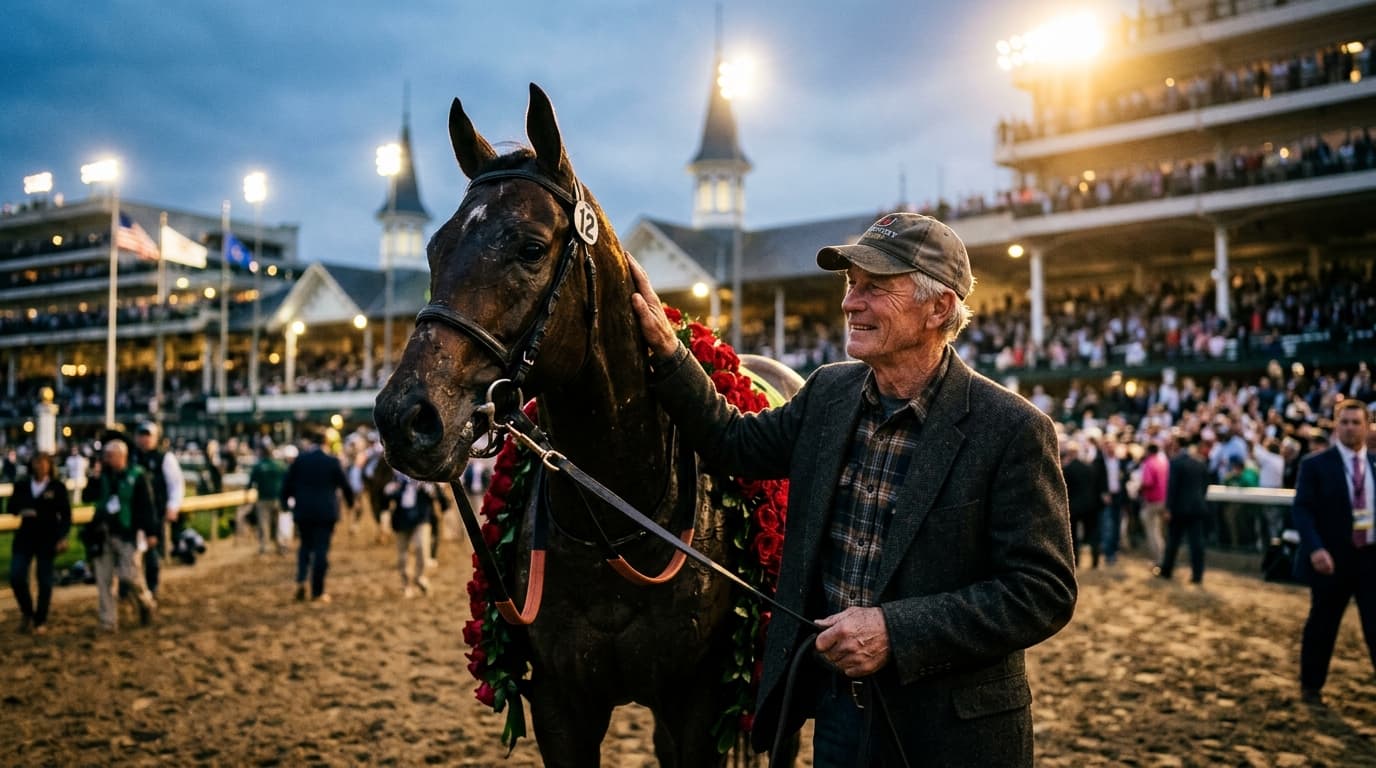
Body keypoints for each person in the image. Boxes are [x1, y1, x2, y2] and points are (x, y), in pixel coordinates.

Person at [628, 212, 1077, 766]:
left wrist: (896, 630)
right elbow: (733, 444)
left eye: (875, 287)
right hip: (841, 718)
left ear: (939, 308)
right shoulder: (829, 392)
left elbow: (1043, 591)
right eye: (850, 284)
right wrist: (671, 353)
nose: (850, 302)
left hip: (954, 734)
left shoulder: (1012, 428)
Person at [1292, 398, 1376, 705]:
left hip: (1370, 558)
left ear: (1367, 427)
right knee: (1323, 624)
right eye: (1344, 422)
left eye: (1356, 422)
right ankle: (1311, 685)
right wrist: (1315, 548)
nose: (1350, 428)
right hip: (1331, 558)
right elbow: (1302, 510)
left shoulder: (1374, 464)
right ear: (1335, 426)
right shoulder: (1315, 465)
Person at [87, 438, 158, 631]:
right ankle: (108, 622)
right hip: (104, 534)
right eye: (105, 456)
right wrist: (94, 476)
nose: (106, 459)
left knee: (130, 576)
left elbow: (146, 505)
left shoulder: (137, 476)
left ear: (121, 456)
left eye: (110, 456)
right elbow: (88, 496)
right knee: (104, 580)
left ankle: (146, 603)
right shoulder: (102, 477)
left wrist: (151, 532)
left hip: (128, 534)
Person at [281, 429, 354, 603]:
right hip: (326, 513)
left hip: (303, 512)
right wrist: (350, 503)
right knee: (321, 550)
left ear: (310, 443)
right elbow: (345, 486)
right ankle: (317, 591)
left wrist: (285, 503)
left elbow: (286, 485)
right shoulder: (332, 461)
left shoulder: (299, 461)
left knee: (305, 546)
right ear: (325, 443)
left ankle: (301, 579)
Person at [8, 452, 72, 635]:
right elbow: (11, 507)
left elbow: (66, 515)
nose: (40, 466)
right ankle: (27, 611)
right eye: (37, 462)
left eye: (44, 462)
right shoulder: (22, 485)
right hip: (25, 537)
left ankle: (40, 619)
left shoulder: (57, 487)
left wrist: (62, 536)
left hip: (47, 538)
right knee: (17, 576)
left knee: (45, 581)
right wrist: (23, 509)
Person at [131, 421, 184, 597]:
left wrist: (173, 506)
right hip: (132, 513)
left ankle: (151, 589)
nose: (144, 439)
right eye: (142, 435)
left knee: (152, 553)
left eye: (148, 436)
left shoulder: (164, 458)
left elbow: (176, 484)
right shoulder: (131, 457)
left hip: (155, 513)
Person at [1157, 433, 1210, 584]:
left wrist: (1168, 508)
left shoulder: (1176, 462)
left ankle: (1167, 570)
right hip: (1197, 508)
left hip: (1179, 509)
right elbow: (1205, 486)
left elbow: (1172, 487)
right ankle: (1197, 575)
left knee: (1173, 541)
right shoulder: (1200, 462)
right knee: (1196, 544)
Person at [387, 471, 439, 598]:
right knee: (402, 555)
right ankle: (406, 584)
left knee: (422, 547)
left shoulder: (426, 475)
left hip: (421, 518)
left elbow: (438, 496)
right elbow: (388, 494)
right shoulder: (398, 476)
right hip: (402, 518)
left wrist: (430, 489)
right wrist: (392, 489)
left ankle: (420, 578)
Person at [246, 440, 288, 555]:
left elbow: (250, 483)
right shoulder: (279, 465)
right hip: (277, 498)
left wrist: (247, 495)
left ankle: (264, 546)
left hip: (263, 499)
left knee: (264, 523)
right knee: (278, 523)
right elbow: (287, 480)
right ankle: (280, 545)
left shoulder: (259, 466)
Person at [1137, 442, 1170, 564]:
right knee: (1160, 531)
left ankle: (1159, 560)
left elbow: (1147, 482)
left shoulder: (1149, 463)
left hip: (1153, 501)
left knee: (1152, 531)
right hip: (1164, 500)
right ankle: (1164, 558)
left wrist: (1138, 488)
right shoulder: (1163, 461)